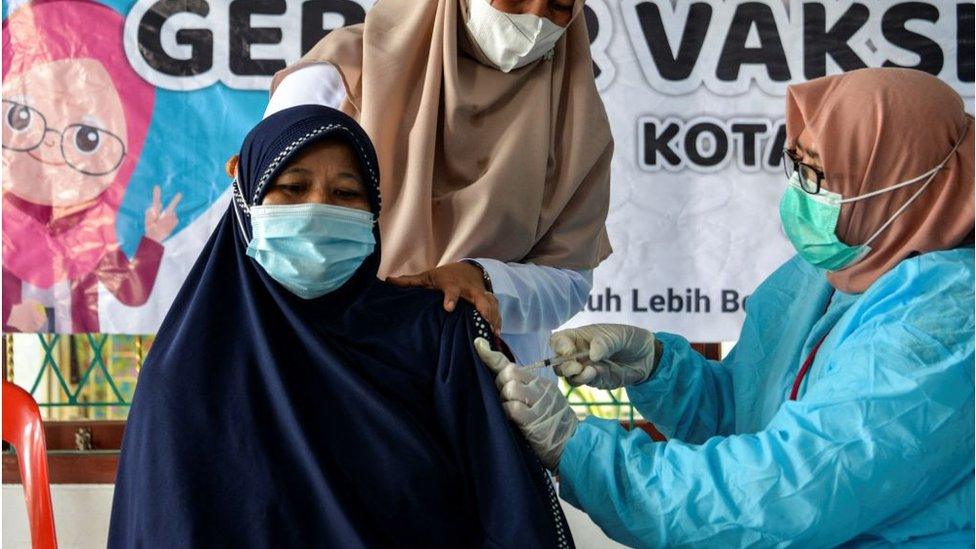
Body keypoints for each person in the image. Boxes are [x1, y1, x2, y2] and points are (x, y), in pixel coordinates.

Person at [475, 68, 975, 546]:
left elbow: (785, 491)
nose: (803, 191)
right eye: (797, 163)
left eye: (821, 174)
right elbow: (749, 414)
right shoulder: (837, 267)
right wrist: (660, 370)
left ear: (904, 183)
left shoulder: (947, 322)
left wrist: (579, 452)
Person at [108, 105, 574, 548]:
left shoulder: (435, 333)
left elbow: (510, 511)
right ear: (247, 201)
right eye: (292, 187)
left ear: (374, 213)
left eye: (346, 193)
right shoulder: (187, 374)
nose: (316, 209)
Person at [264, 0, 613, 371]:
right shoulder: (343, 71)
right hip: (331, 359)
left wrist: (481, 278)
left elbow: (569, 279)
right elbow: (269, 220)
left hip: (485, 382)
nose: (535, 18)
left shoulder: (575, 120)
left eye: (559, 6)